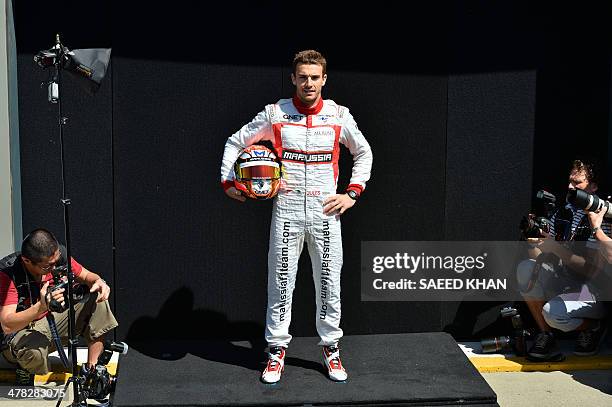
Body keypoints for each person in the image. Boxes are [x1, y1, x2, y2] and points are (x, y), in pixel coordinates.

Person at [220, 50, 373, 383]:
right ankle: (275, 352)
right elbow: (236, 141)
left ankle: (331, 350)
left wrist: (351, 193)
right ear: (293, 78)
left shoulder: (338, 116)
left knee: (330, 284)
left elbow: (363, 152)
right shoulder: (275, 114)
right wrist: (228, 180)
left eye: (314, 77)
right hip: (287, 212)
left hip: (326, 214)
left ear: (324, 80)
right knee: (281, 283)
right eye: (302, 76)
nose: (308, 83)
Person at [516, 159, 609, 360]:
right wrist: (535, 242)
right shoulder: (563, 211)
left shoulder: (603, 218)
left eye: (577, 183)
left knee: (553, 314)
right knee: (525, 267)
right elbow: (540, 257)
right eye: (569, 182)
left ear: (593, 186)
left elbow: (590, 271)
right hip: (565, 283)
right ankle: (545, 334)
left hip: (592, 291)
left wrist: (555, 248)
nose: (570, 187)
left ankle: (594, 326)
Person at [0, 228, 118, 386]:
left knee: (97, 297)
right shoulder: (7, 275)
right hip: (19, 334)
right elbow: (7, 325)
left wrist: (99, 281)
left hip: (49, 321)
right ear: (27, 261)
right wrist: (41, 307)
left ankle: (93, 371)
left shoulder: (56, 256)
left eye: (57, 261)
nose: (54, 267)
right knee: (32, 353)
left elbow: (87, 275)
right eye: (48, 266)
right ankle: (25, 368)